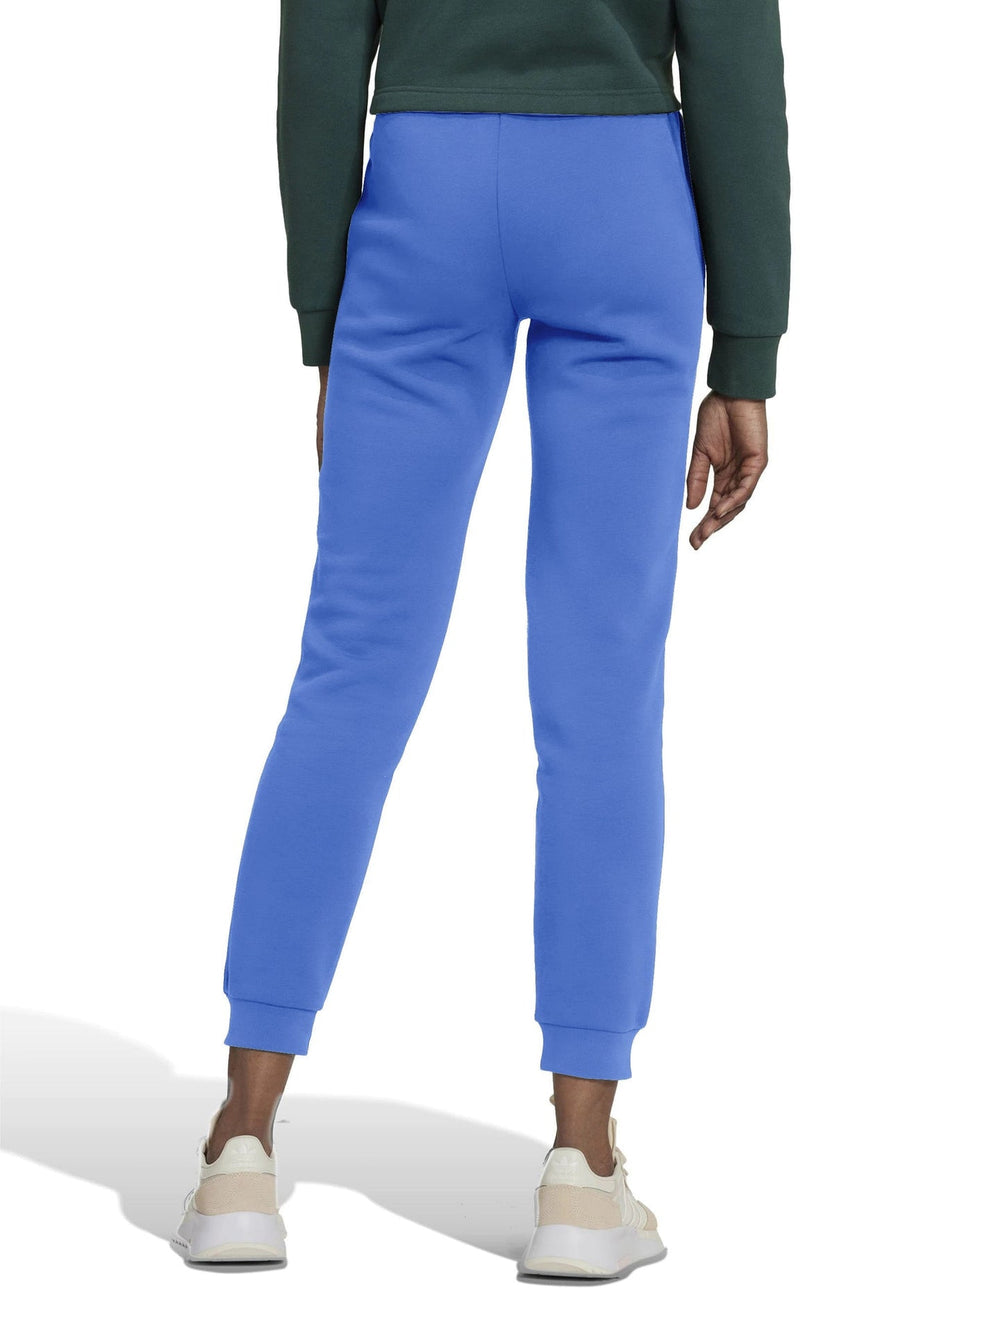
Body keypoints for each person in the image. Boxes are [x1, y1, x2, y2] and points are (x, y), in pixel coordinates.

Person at [172, 0, 790, 1279]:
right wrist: (747, 348)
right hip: (624, 197)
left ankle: (241, 1145)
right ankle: (581, 1171)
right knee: (602, 690)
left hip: (426, 192)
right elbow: (734, 56)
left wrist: (324, 316)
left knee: (351, 667)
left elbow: (319, 51)